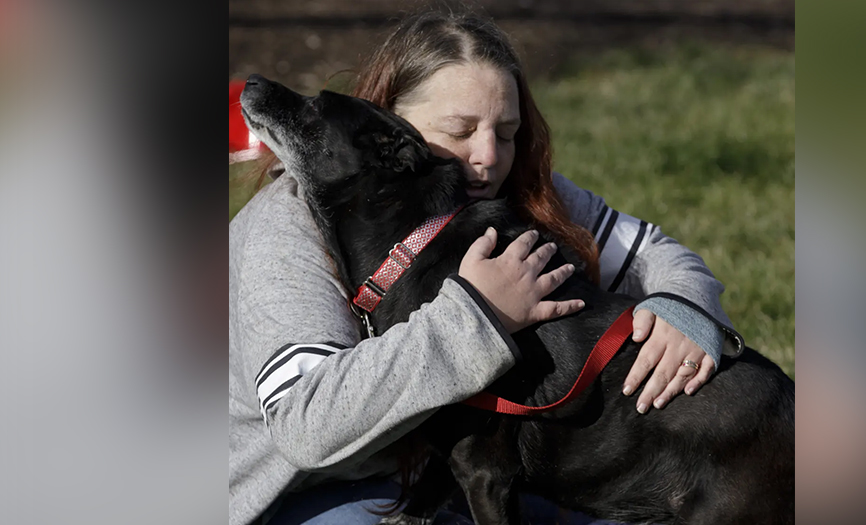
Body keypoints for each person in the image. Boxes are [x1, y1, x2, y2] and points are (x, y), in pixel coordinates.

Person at [229, 11, 742, 525]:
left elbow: (653, 252)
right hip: (296, 493)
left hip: (456, 473)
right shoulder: (292, 229)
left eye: (508, 131)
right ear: (388, 123)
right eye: (461, 129)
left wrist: (684, 307)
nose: (488, 155)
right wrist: (480, 314)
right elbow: (306, 429)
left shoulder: (494, 192)